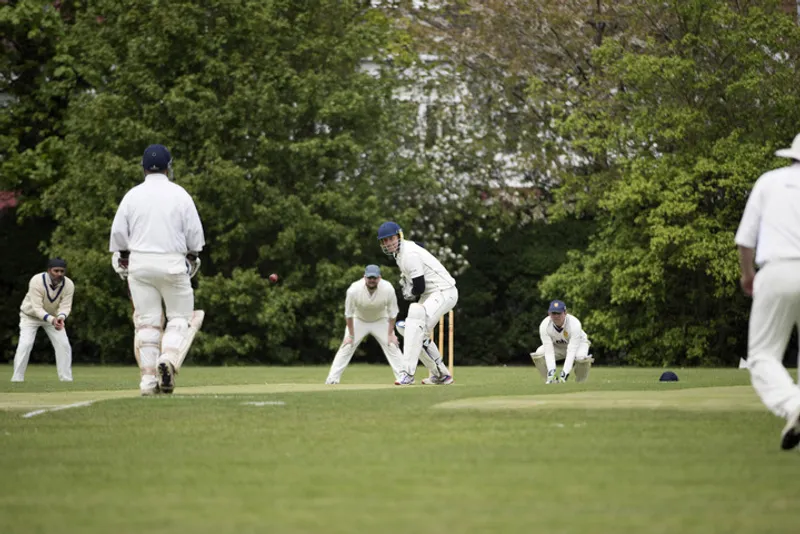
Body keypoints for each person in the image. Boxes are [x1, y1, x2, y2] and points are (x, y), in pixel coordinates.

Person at [109, 144, 205, 396]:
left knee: (147, 324)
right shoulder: (180, 194)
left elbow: (118, 235)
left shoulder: (132, 196)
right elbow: (195, 237)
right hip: (173, 264)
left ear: (143, 168)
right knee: (180, 319)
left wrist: (126, 259)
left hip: (140, 266)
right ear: (168, 167)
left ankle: (148, 382)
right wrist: (192, 257)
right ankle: (168, 360)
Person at [735, 132, 800, 451]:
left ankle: (793, 404)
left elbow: (745, 239)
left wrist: (748, 275)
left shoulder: (769, 181)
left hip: (778, 270)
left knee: (762, 355)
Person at [377, 221, 455, 385]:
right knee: (405, 328)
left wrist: (409, 292)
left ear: (399, 236)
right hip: (431, 293)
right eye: (384, 241)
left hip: (444, 291)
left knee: (414, 323)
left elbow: (419, 286)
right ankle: (441, 374)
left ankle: (407, 374)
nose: (388, 243)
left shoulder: (409, 254)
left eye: (390, 239)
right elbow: (421, 246)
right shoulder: (401, 253)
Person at [325, 265, 405, 384]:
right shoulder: (353, 289)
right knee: (346, 346)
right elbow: (348, 314)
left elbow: (393, 313)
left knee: (392, 344)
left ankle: (404, 377)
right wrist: (351, 336)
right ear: (364, 277)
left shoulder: (388, 288)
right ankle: (332, 379)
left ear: (379, 278)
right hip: (359, 320)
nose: (372, 280)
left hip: (381, 319)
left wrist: (390, 334)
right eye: (369, 278)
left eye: (374, 278)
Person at [11, 258, 75, 382]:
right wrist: (52, 319)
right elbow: (37, 308)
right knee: (26, 344)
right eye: (56, 271)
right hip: (30, 316)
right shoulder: (37, 281)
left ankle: (66, 380)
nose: (59, 274)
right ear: (49, 270)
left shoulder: (69, 284)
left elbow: (66, 306)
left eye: (62, 271)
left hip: (54, 318)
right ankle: (17, 379)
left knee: (64, 345)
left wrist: (61, 318)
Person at [529, 300, 593, 384]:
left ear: (565, 313)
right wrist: (552, 371)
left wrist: (565, 373)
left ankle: (580, 383)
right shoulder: (544, 325)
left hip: (579, 345)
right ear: (549, 313)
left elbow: (571, 350)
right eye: (553, 313)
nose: (556, 316)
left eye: (559, 313)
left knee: (581, 358)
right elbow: (549, 350)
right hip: (558, 346)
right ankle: (551, 380)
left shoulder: (575, 324)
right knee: (539, 354)